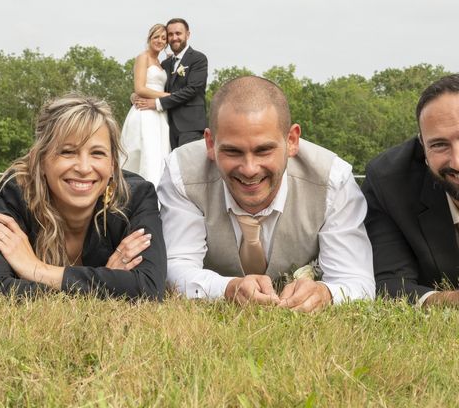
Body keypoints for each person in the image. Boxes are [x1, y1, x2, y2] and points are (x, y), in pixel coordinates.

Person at [158, 75, 375, 312]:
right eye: (232, 151)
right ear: (210, 144)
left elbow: (357, 280)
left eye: (264, 150)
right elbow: (174, 268)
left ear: (292, 140)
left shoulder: (333, 180)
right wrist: (227, 288)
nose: (249, 169)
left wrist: (326, 293)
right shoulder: (182, 172)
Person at [0, 94, 167, 301]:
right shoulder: (16, 193)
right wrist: (107, 282)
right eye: (68, 152)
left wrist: (36, 270)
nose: (83, 168)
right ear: (41, 160)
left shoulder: (136, 197)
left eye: (97, 153)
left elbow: (149, 289)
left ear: (112, 166)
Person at [362, 74, 459, 306]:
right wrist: (449, 300)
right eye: (439, 145)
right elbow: (390, 283)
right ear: (422, 147)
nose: (456, 161)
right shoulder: (389, 182)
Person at [134, 18, 208, 149]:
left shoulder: (198, 59)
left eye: (178, 33)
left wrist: (157, 103)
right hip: (166, 125)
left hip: (190, 127)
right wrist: (134, 96)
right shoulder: (165, 64)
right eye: (170, 34)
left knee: (188, 167)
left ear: (187, 35)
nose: (174, 38)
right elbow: (152, 87)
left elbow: (192, 90)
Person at [120, 23, 171, 187]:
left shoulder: (161, 63)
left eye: (164, 38)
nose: (160, 40)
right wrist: (168, 96)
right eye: (156, 37)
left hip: (159, 113)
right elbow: (140, 88)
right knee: (146, 153)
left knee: (159, 155)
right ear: (149, 38)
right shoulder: (143, 57)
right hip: (144, 112)